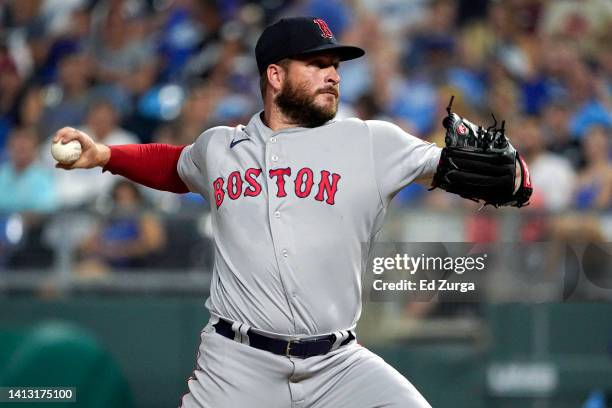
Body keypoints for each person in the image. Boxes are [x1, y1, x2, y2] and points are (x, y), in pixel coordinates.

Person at [52, 17, 528, 408]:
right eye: (317, 63)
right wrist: (106, 155)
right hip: (237, 364)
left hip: (337, 365)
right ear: (275, 76)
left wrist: (512, 174)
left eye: (335, 65)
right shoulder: (221, 147)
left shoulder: (371, 142)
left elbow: (455, 167)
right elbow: (175, 166)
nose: (334, 74)